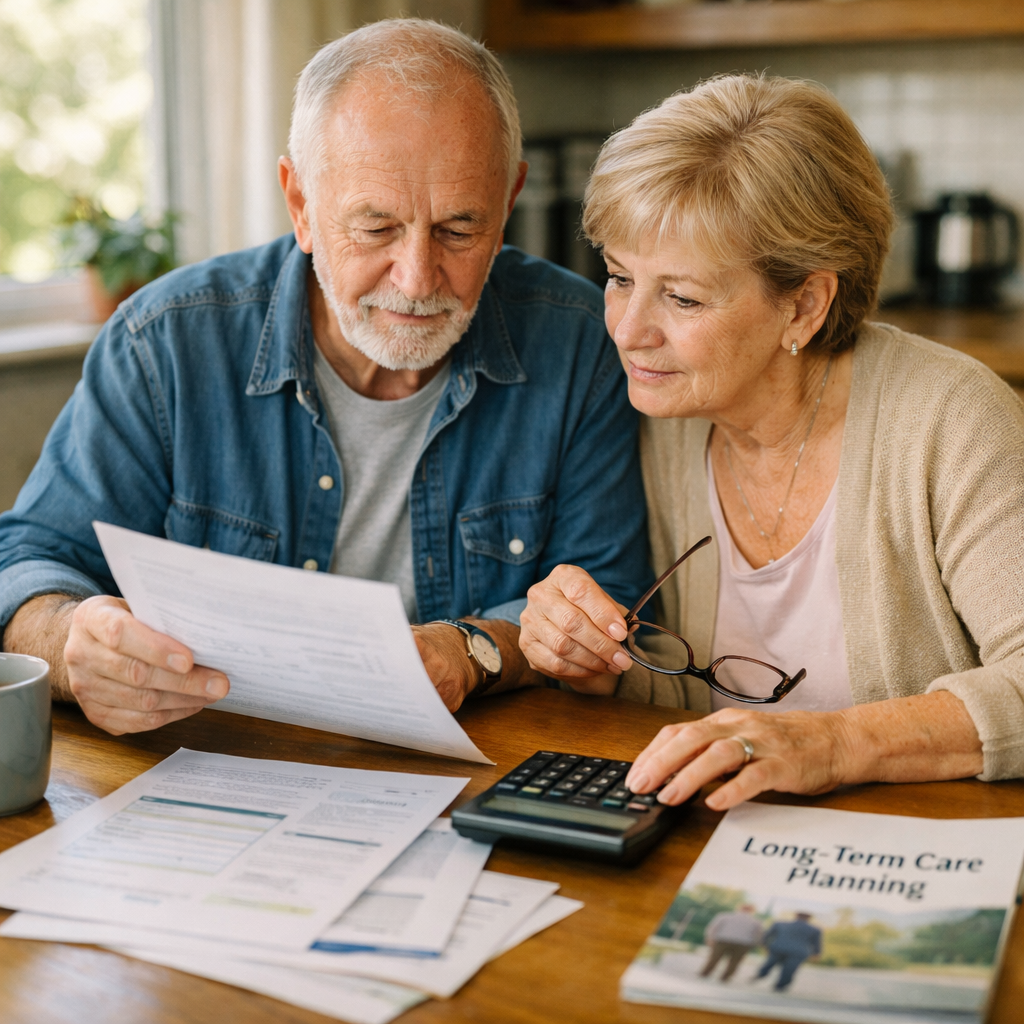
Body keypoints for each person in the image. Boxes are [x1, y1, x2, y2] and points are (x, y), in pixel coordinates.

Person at [0, 20, 648, 736]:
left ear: (508, 203)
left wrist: (472, 650)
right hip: (213, 767)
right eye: (375, 228)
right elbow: (28, 566)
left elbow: (608, 605)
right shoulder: (165, 344)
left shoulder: (584, 343)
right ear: (301, 205)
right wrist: (71, 642)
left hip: (478, 772)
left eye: (460, 230)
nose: (417, 278)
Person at [519, 74, 1024, 807]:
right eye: (620, 278)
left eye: (683, 298)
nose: (628, 331)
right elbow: (703, 700)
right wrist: (602, 664)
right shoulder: (667, 421)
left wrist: (834, 742)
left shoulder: (949, 417)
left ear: (804, 306)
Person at [753, 912, 821, 992]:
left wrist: (764, 944)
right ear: (809, 918)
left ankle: (762, 974)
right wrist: (816, 953)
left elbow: (768, 935)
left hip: (778, 948)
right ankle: (780, 985)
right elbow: (816, 943)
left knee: (770, 962)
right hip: (798, 952)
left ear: (796, 916)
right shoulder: (814, 930)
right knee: (789, 969)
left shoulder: (780, 924)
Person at [699, 903, 763, 982]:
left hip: (723, 940)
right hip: (743, 944)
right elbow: (758, 935)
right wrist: (754, 944)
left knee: (714, 958)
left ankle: (705, 973)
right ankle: (725, 977)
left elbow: (713, 927)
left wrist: (710, 938)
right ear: (752, 911)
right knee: (735, 962)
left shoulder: (725, 916)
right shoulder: (756, 922)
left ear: (739, 908)